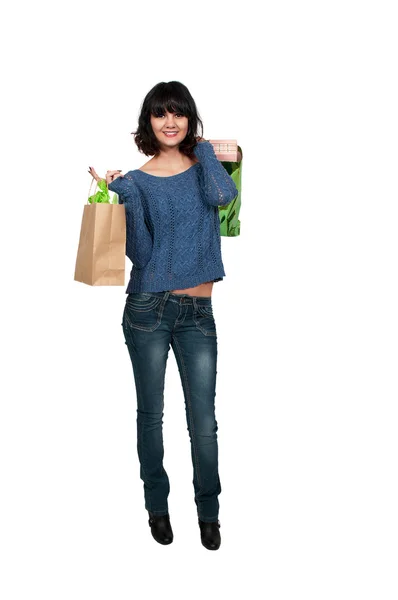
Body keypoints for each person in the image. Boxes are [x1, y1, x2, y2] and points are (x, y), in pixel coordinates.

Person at [88, 81, 238, 550]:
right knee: (151, 415)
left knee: (204, 423)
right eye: (160, 114)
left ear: (190, 120)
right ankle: (157, 506)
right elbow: (143, 256)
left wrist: (205, 150)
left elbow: (223, 197)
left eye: (178, 113)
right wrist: (119, 196)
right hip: (149, 309)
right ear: (148, 122)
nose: (169, 122)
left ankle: (209, 514)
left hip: (199, 313)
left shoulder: (204, 170)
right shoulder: (134, 181)